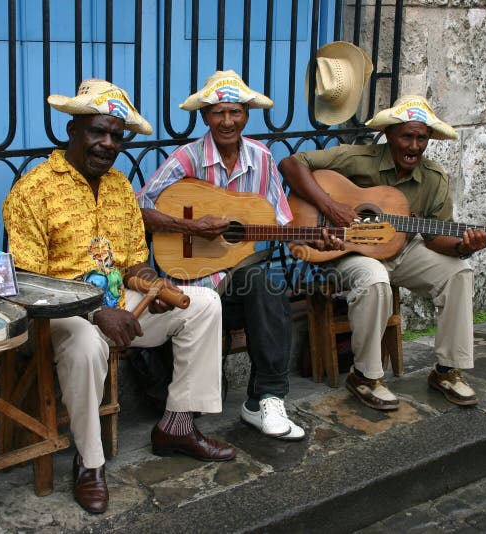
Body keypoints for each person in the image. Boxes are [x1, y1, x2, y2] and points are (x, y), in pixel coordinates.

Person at [3, 79, 235, 515]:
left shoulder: (119, 187)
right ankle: (90, 463)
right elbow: (30, 281)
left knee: (204, 303)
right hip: (61, 315)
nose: (107, 143)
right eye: (97, 132)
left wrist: (153, 287)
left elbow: (132, 263)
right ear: (73, 131)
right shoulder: (33, 191)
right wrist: (96, 312)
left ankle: (177, 424)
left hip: (119, 306)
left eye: (116, 135)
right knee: (89, 341)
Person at [138, 70, 340, 441]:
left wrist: (315, 242)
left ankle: (266, 399)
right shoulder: (187, 159)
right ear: (205, 117)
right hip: (191, 286)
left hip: (238, 283)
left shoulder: (262, 158)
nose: (227, 121)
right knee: (259, 285)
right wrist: (191, 227)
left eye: (235, 112)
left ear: (247, 114)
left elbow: (281, 226)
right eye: (218, 113)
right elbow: (139, 211)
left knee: (266, 281)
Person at [279, 95, 486, 410]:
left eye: (422, 138)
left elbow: (434, 238)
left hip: (402, 251)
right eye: (407, 136)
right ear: (390, 134)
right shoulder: (359, 159)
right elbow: (291, 164)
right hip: (350, 252)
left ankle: (447, 371)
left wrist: (463, 246)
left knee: (458, 271)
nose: (414, 146)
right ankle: (364, 377)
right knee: (375, 279)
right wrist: (330, 205)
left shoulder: (433, 179)